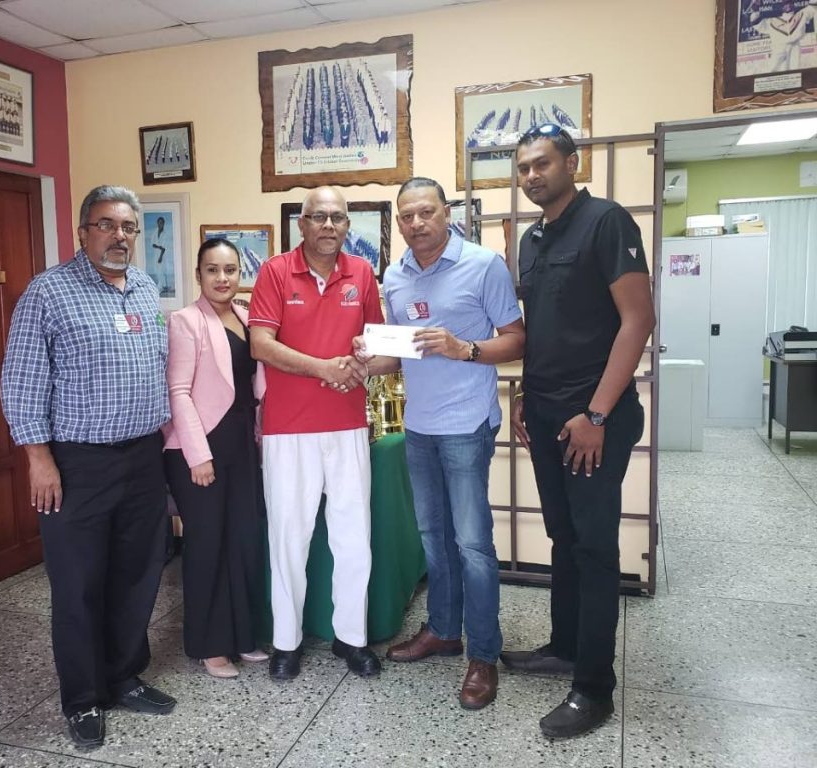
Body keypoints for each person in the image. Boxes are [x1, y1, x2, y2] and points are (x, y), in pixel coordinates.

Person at [0, 185, 176, 750]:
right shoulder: (47, 294)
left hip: (144, 458)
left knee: (137, 573)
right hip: (77, 465)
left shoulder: (147, 289)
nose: (119, 235)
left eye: (128, 226)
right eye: (106, 225)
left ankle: (123, 677)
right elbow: (21, 383)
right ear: (83, 231)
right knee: (78, 584)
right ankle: (82, 699)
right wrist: (38, 458)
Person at [502, 125, 655, 738]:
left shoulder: (607, 222)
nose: (533, 175)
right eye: (523, 168)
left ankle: (594, 689)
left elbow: (637, 320)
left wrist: (595, 415)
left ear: (571, 162)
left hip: (592, 420)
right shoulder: (532, 239)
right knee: (563, 538)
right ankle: (564, 648)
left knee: (593, 550)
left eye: (543, 163)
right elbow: (544, 324)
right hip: (544, 412)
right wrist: (522, 390)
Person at [357, 177, 524, 710]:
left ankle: (484, 654)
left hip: (468, 423)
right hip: (420, 426)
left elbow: (518, 339)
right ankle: (444, 632)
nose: (416, 224)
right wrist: (357, 361)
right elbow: (400, 354)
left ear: (446, 213)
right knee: (434, 537)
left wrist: (464, 348)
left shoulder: (483, 265)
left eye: (426, 212)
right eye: (406, 216)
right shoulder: (395, 276)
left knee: (473, 544)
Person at [248, 186, 384, 681]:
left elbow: (382, 349)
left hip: (348, 426)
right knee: (289, 536)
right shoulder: (275, 272)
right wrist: (324, 368)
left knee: (354, 538)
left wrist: (362, 365)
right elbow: (261, 344)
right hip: (289, 429)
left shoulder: (363, 273)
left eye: (338, 218)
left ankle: (352, 639)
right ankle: (287, 643)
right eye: (318, 217)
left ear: (349, 226)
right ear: (300, 225)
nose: (328, 225)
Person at [162, 238, 269, 679]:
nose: (222, 278)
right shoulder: (185, 322)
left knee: (243, 538)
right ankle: (210, 645)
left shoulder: (246, 317)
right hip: (199, 446)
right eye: (212, 270)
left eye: (230, 270)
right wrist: (197, 455)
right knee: (208, 545)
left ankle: (243, 636)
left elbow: (254, 387)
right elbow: (178, 392)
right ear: (199, 275)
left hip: (242, 441)